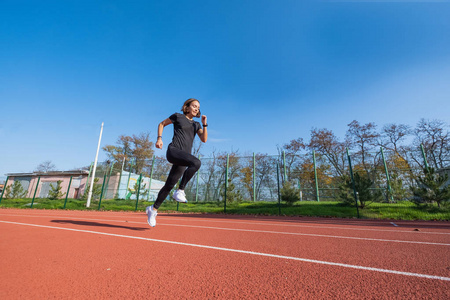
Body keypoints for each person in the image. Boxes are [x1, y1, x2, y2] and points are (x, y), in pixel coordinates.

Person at [146, 98, 208, 227]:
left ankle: (153, 209)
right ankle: (180, 190)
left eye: (198, 107)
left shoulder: (196, 125)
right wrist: (159, 139)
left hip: (184, 158)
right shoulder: (178, 116)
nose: (196, 108)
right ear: (187, 107)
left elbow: (204, 139)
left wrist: (204, 124)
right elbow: (161, 124)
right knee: (196, 163)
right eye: (194, 106)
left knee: (169, 185)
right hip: (173, 151)